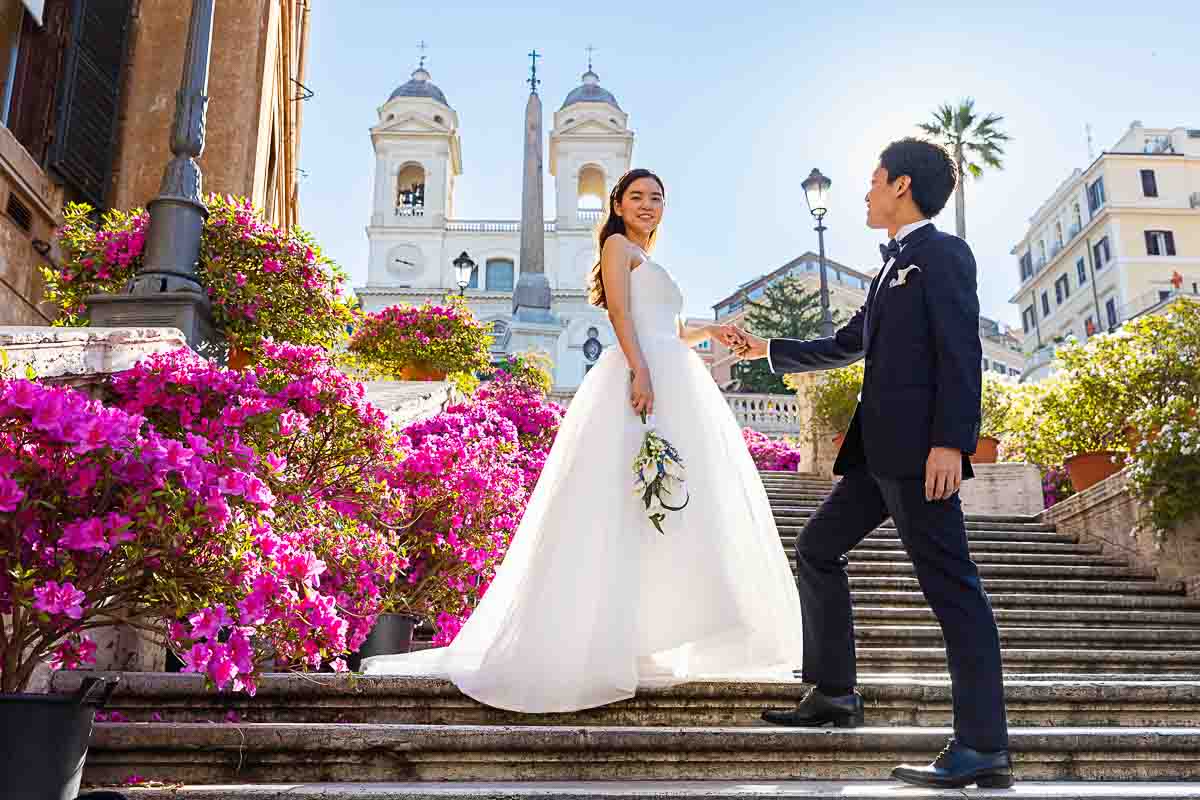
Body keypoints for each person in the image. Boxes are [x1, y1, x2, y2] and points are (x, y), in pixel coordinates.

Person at [363, 168, 804, 713]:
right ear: (616, 204)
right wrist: (640, 372)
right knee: (628, 500)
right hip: (647, 375)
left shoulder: (647, 257)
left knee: (666, 505)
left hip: (673, 371)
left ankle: (647, 633)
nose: (647, 205)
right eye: (637, 197)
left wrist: (708, 333)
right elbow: (621, 314)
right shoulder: (618, 246)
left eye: (657, 198)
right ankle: (612, 636)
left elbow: (662, 323)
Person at [725, 138, 1012, 790]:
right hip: (875, 455)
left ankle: (983, 745)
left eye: (874, 179)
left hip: (920, 455)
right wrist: (764, 347)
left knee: (953, 590)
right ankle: (834, 694)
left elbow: (961, 351)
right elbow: (846, 345)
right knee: (818, 548)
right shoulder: (890, 269)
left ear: (902, 185)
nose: (866, 191)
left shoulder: (942, 254)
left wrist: (952, 441)